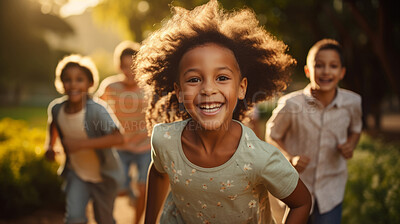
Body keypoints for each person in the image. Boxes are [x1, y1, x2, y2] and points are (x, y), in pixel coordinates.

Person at [134, 1, 312, 223]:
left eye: (222, 78)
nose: (208, 89)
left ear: (241, 88)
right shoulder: (164, 140)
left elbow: (302, 202)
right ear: (179, 92)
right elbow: (159, 172)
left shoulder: (260, 157)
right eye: (194, 79)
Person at [266, 38, 362, 224]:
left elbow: (356, 129)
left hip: (331, 189)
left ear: (341, 72)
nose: (326, 71)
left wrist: (351, 144)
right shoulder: (291, 104)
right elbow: (272, 134)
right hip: (295, 189)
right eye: (319, 65)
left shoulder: (353, 102)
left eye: (333, 66)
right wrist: (289, 158)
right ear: (308, 70)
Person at [45, 54, 125, 224]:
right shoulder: (56, 109)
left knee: (104, 219)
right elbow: (53, 125)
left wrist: (81, 144)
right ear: (61, 83)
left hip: (104, 177)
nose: (73, 84)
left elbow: (119, 138)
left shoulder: (97, 110)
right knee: (74, 218)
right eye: (67, 79)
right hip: (76, 174)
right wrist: (50, 146)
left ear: (90, 83)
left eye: (79, 79)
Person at [96, 40, 151, 224]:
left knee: (144, 189)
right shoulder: (111, 86)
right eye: (125, 66)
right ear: (119, 66)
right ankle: (127, 191)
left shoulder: (148, 88)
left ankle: (136, 222)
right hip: (120, 146)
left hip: (144, 146)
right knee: (118, 188)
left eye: (133, 66)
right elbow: (95, 107)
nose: (129, 71)